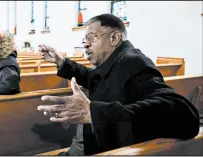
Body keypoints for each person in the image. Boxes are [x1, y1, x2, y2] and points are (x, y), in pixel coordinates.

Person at [37, 14, 200, 155]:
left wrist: (92, 113)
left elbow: (184, 115)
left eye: (92, 37)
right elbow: (93, 77)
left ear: (114, 38)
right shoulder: (114, 62)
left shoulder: (133, 63)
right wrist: (62, 62)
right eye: (84, 40)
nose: (85, 44)